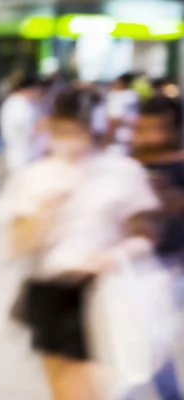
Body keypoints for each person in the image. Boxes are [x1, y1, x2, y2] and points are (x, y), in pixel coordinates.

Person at [0, 87, 161, 400]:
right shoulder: (34, 176)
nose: (70, 140)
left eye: (77, 130)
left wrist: (115, 255)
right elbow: (16, 246)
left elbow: (145, 234)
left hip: (103, 294)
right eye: (61, 130)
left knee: (89, 389)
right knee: (61, 385)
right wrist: (44, 213)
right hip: (49, 290)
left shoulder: (121, 172)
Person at [127, 96, 184, 400]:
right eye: (141, 127)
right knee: (147, 336)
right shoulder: (129, 164)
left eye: (156, 128)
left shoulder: (178, 163)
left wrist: (167, 199)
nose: (148, 135)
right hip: (139, 265)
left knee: (156, 336)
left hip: (173, 264)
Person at [0, 75, 44, 171]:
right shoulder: (20, 104)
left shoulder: (17, 102)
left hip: (21, 153)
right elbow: (27, 130)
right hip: (23, 154)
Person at [106, 73, 138, 152]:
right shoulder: (134, 95)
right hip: (134, 136)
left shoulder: (118, 96)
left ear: (120, 82)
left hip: (118, 138)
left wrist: (106, 141)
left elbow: (113, 119)